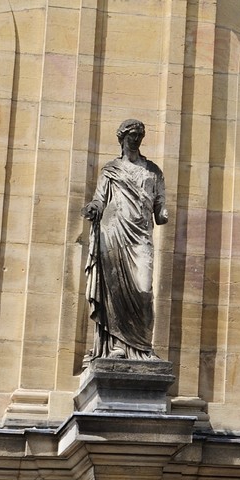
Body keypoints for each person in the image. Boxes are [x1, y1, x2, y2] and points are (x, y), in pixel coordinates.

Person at [84, 118, 169, 360]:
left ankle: (142, 346)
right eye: (132, 134)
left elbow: (160, 210)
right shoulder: (110, 170)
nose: (136, 138)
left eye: (140, 134)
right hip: (114, 233)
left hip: (140, 235)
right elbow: (100, 199)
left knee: (144, 288)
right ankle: (118, 346)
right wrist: (93, 208)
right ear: (122, 138)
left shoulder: (153, 172)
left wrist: (163, 212)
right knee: (116, 290)